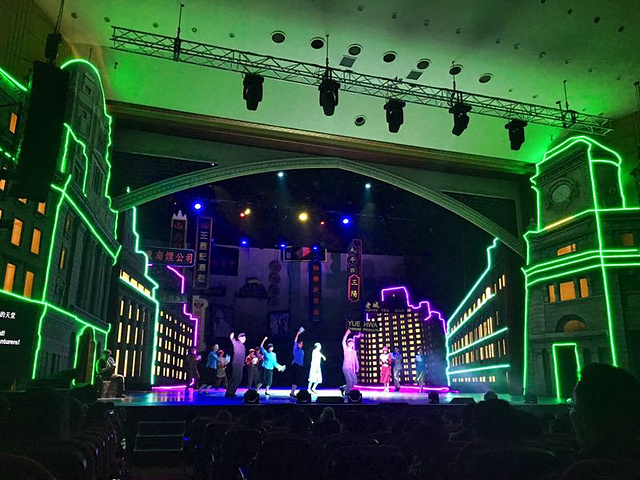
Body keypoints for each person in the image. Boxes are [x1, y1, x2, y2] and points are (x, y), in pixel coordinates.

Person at [225, 332, 247, 398]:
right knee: (237, 378)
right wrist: (232, 336)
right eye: (243, 338)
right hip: (237, 363)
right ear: (239, 338)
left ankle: (230, 392)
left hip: (240, 364)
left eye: (245, 338)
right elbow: (232, 339)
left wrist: (243, 363)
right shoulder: (237, 343)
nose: (244, 339)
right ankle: (230, 393)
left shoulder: (243, 346)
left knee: (236, 378)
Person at [340, 328, 359, 396]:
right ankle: (346, 393)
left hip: (351, 369)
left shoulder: (354, 352)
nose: (351, 343)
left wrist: (357, 367)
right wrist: (347, 333)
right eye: (350, 342)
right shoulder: (346, 349)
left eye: (352, 342)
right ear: (348, 343)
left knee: (354, 382)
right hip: (346, 367)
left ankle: (343, 388)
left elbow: (356, 360)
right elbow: (343, 341)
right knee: (349, 381)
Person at [290, 328, 305, 398]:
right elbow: (295, 341)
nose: (302, 345)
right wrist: (298, 334)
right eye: (301, 344)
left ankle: (292, 392)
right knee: (295, 380)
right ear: (298, 344)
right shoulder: (295, 349)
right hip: (296, 365)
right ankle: (292, 392)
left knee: (297, 380)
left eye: (302, 344)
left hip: (299, 366)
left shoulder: (301, 350)